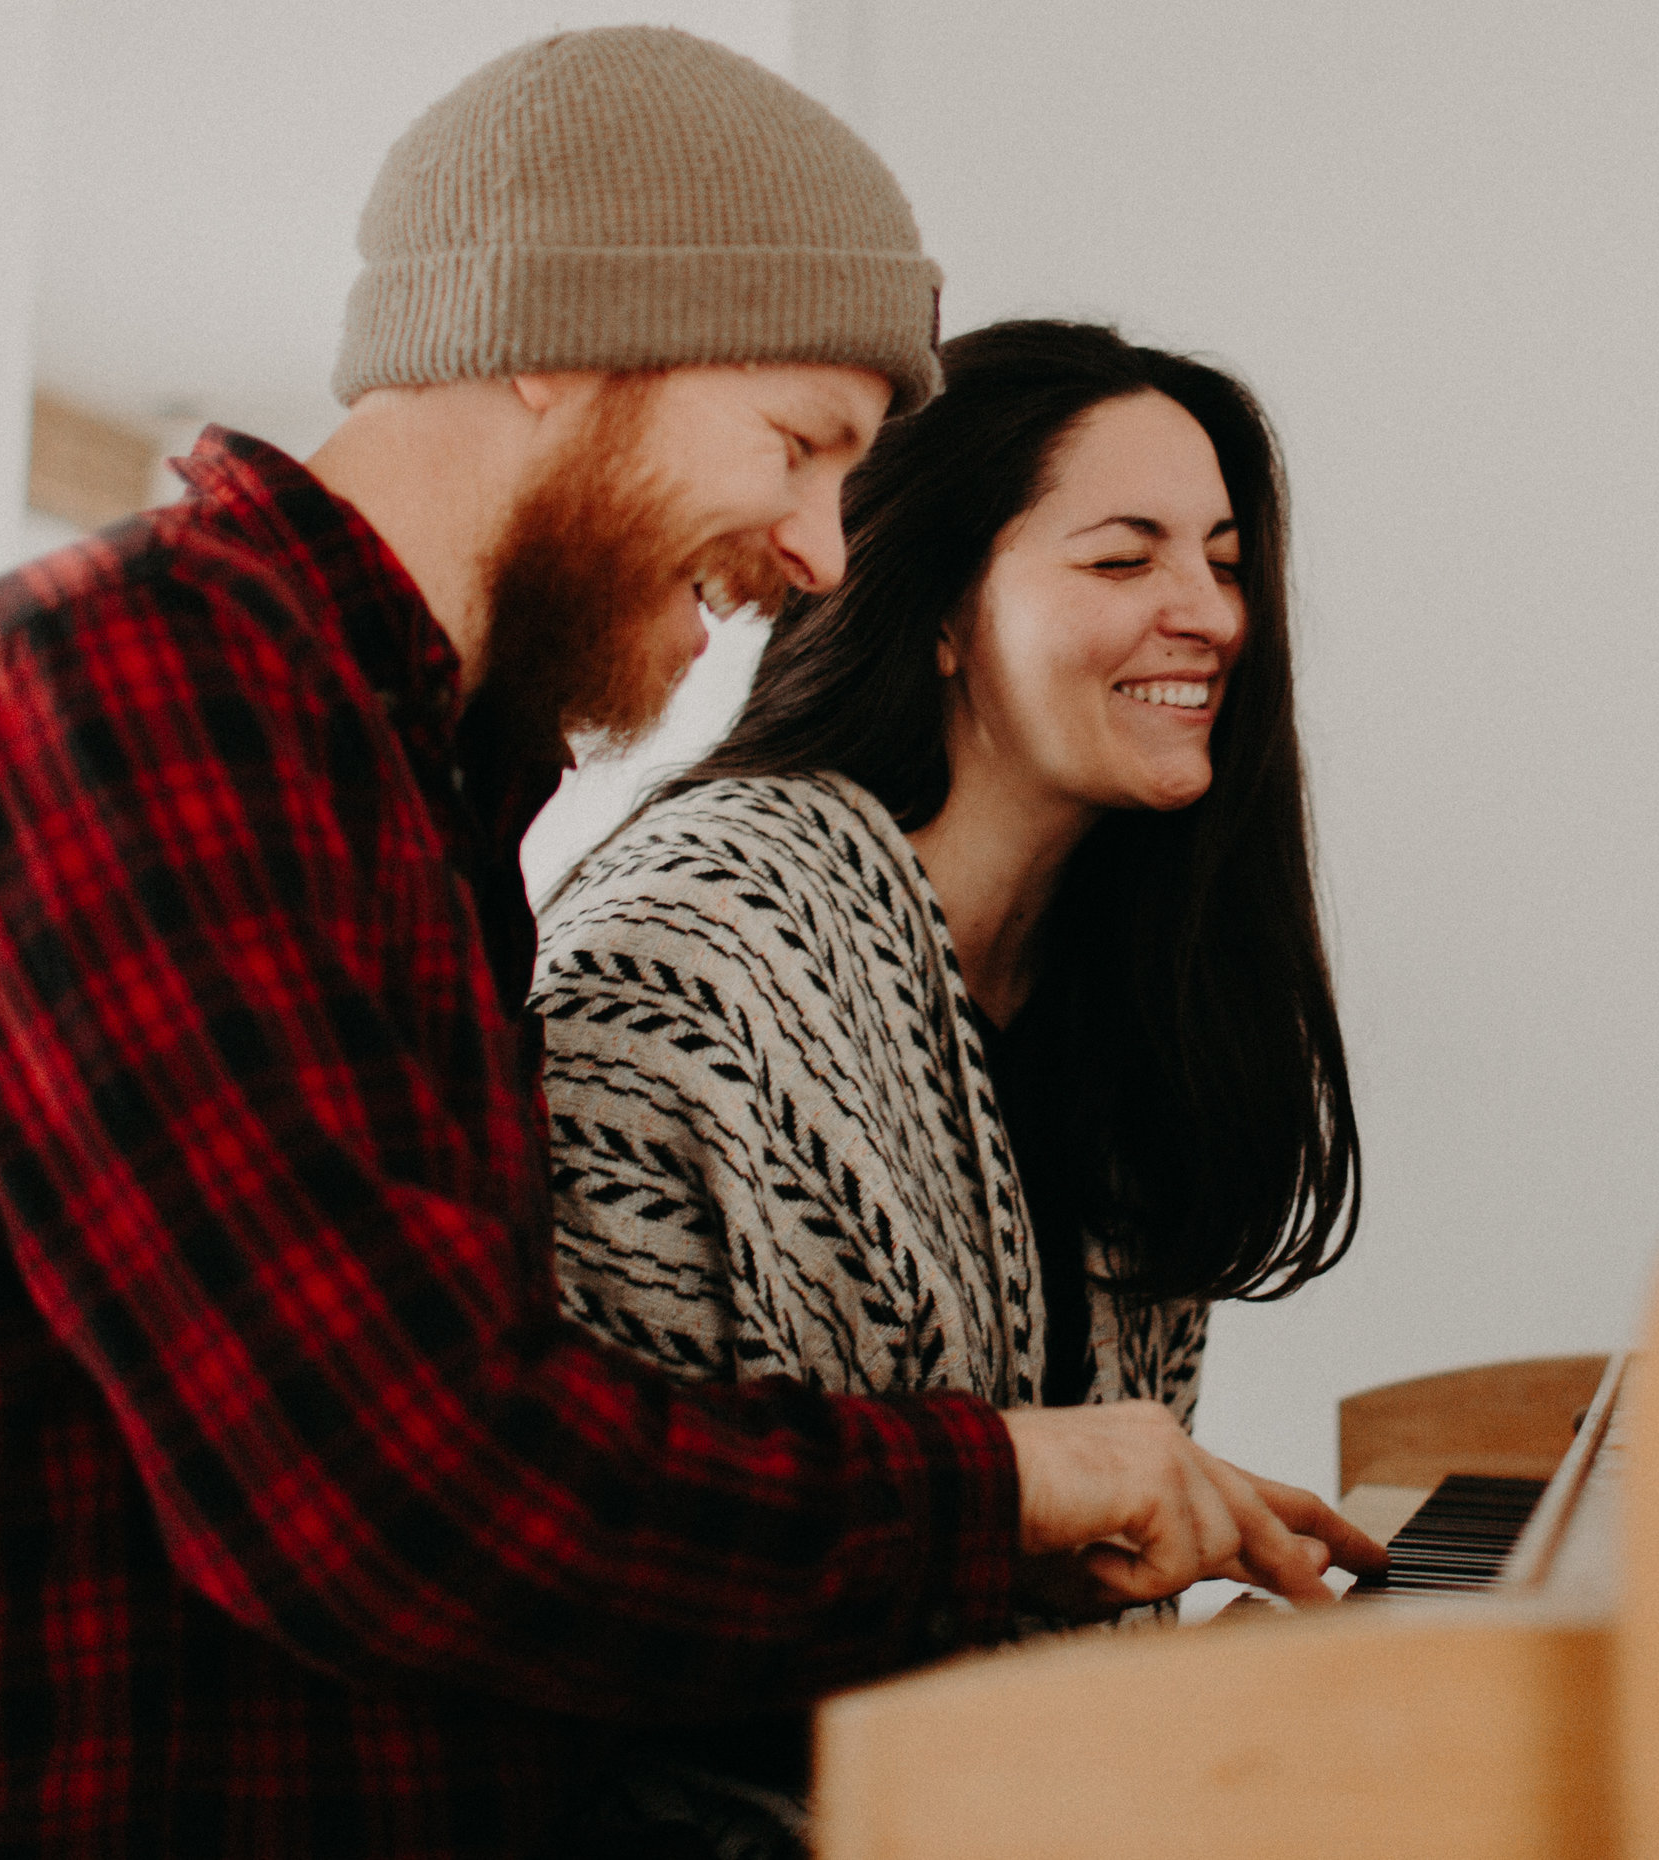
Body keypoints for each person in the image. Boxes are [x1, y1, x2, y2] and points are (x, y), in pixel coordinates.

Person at [0, 28, 1379, 1860]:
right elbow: (392, 1500)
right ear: (548, 342)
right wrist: (1001, 1484)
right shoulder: (129, 689)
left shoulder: (419, 778)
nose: (826, 553)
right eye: (799, 441)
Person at [536, 320, 1364, 1844]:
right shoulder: (697, 948)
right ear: (937, 615)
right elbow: (590, 1564)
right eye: (1124, 563)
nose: (1210, 615)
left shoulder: (1106, 989)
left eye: (1227, 560)